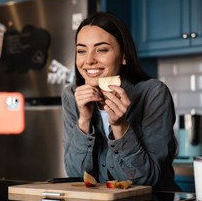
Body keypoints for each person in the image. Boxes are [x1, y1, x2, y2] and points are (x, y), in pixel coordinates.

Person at [61, 12, 180, 191]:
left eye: (101, 49)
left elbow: (148, 180)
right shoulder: (71, 95)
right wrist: (84, 120)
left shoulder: (153, 93)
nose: (89, 60)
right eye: (81, 50)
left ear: (124, 56)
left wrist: (120, 127)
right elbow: (75, 175)